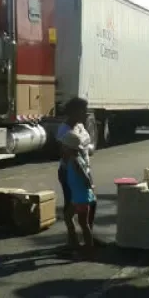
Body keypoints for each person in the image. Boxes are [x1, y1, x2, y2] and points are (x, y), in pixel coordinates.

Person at [55, 97, 98, 243]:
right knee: (72, 206)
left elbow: (86, 146)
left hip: (84, 169)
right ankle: (73, 240)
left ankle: (88, 236)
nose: (85, 113)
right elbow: (67, 155)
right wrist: (83, 177)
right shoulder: (64, 130)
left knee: (90, 204)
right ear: (73, 111)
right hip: (71, 172)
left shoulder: (80, 125)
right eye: (82, 110)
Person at [59, 130, 96, 259]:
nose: (62, 148)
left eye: (64, 146)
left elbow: (85, 175)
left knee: (83, 223)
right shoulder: (73, 158)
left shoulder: (75, 160)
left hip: (81, 197)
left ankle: (89, 249)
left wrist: (88, 185)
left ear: (69, 147)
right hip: (78, 196)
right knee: (69, 217)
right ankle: (76, 244)